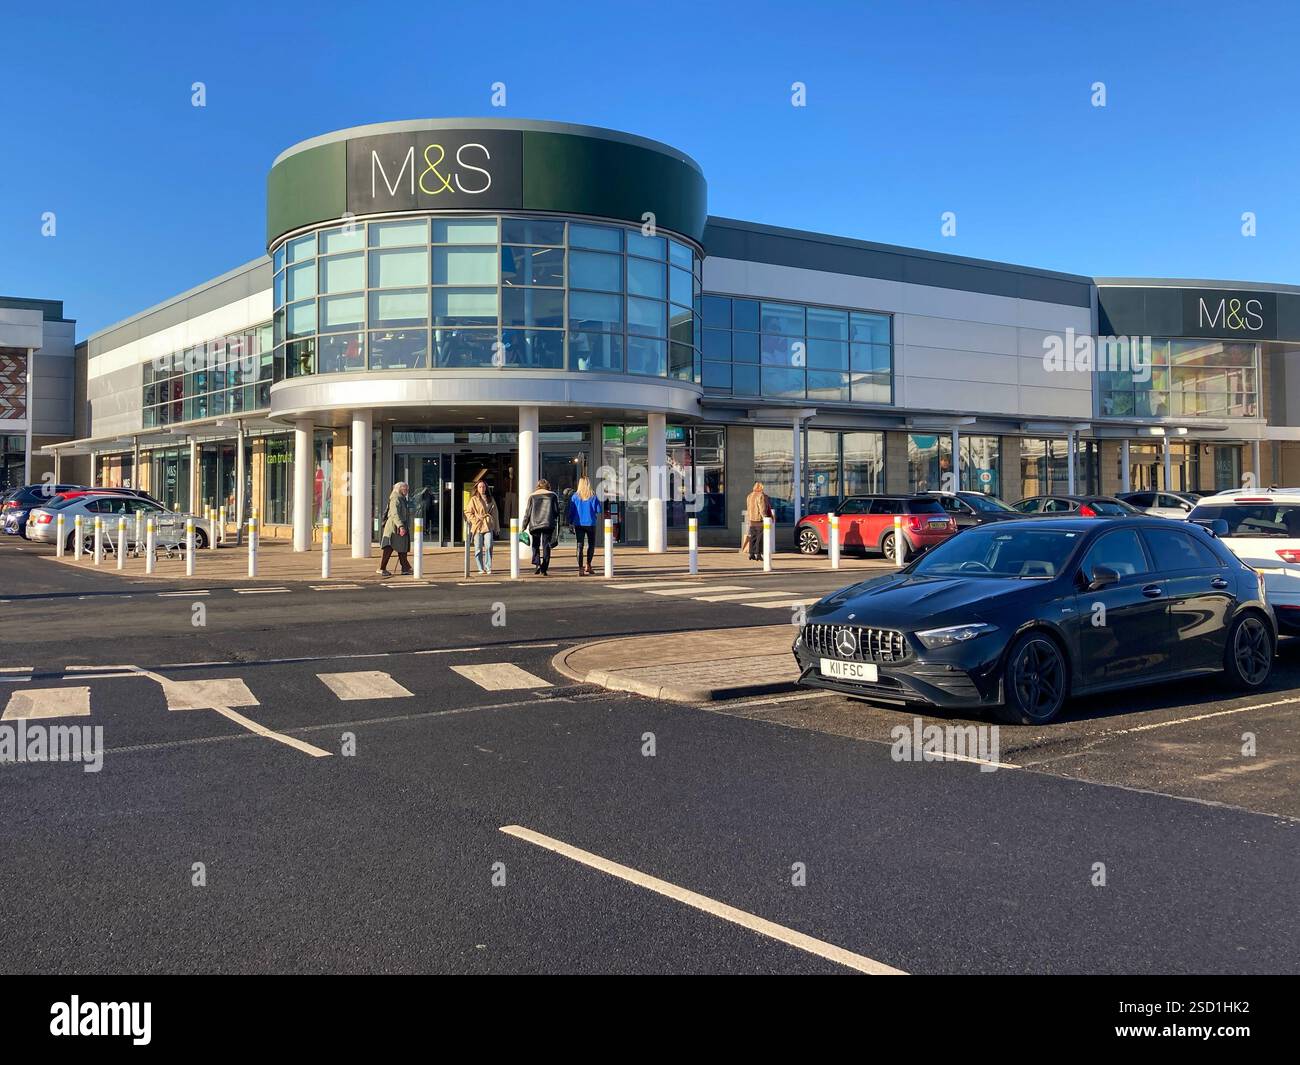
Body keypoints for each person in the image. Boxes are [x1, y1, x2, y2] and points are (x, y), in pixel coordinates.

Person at [522, 478, 560, 576]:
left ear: (538, 486)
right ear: (548, 486)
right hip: (548, 523)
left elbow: (528, 513)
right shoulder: (553, 495)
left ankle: (537, 564)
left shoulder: (532, 496)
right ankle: (544, 568)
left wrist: (524, 526)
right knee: (546, 546)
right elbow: (556, 511)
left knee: (535, 545)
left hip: (535, 524)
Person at [567, 475, 602, 575]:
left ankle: (580, 569)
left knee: (579, 545)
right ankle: (588, 564)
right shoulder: (593, 496)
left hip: (579, 523)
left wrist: (570, 522)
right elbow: (598, 510)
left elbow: (571, 512)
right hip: (591, 523)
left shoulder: (575, 497)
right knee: (591, 544)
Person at [465, 479, 500, 576]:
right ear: (477, 488)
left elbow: (495, 513)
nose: (482, 488)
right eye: (480, 487)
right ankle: (480, 568)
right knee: (478, 548)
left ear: (486, 488)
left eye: (484, 487)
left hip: (488, 525)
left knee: (489, 546)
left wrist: (497, 528)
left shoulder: (490, 499)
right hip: (477, 526)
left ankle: (488, 567)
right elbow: (468, 512)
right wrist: (475, 519)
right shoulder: (473, 499)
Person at [377, 481, 412, 577]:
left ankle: (405, 568)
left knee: (402, 548)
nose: (407, 491)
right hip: (394, 527)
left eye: (407, 489)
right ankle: (382, 568)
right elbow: (394, 513)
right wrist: (400, 526)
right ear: (399, 489)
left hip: (399, 526)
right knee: (389, 547)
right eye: (405, 489)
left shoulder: (402, 498)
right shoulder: (395, 498)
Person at [745, 481, 773, 562]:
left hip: (751, 519)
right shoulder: (761, 496)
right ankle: (758, 554)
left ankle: (751, 554)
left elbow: (748, 507)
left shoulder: (749, 495)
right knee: (759, 538)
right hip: (759, 520)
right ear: (761, 488)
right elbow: (762, 508)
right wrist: (765, 517)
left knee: (752, 537)